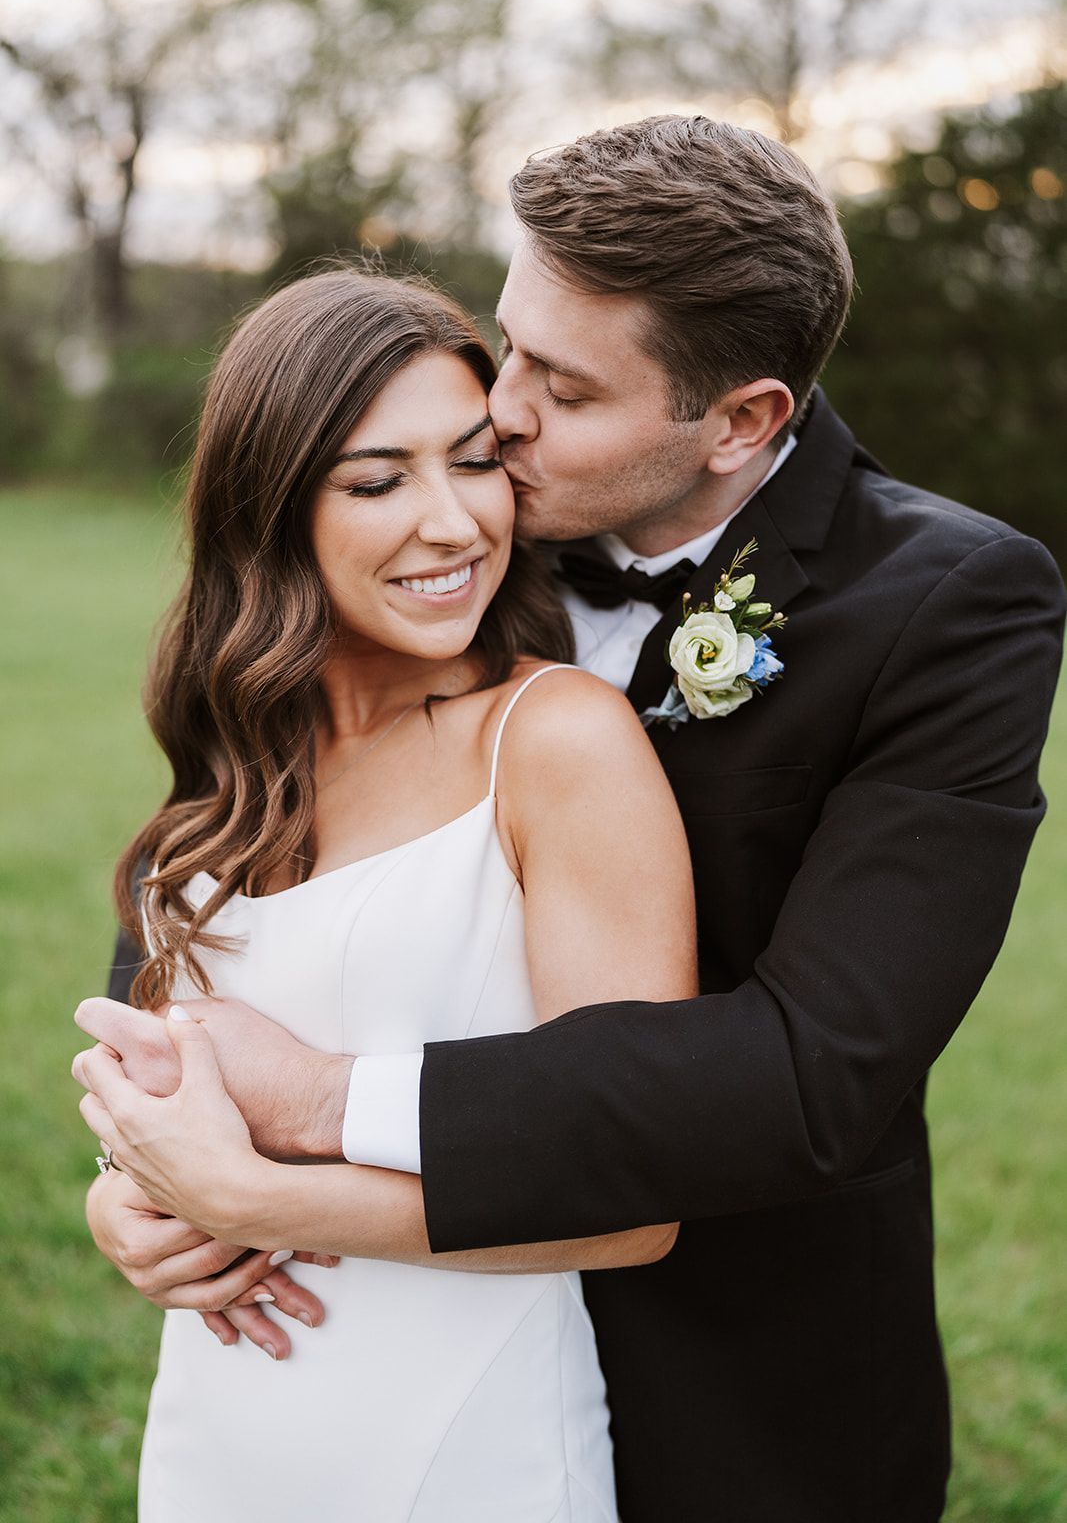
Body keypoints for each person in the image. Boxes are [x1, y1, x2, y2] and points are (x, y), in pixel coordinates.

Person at [75, 116, 1066, 1523]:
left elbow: (812, 1074)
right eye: (510, 342)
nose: (503, 412)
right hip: (362, 1348)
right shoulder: (458, 521)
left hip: (737, 1375)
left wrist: (313, 1112)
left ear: (740, 421)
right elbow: (235, 845)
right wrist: (141, 1161)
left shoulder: (946, 607)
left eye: (565, 384)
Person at [73, 265, 700, 1521]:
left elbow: (636, 1204)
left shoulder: (550, 739)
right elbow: (149, 1097)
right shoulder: (226, 779)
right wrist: (118, 1208)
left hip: (465, 1444)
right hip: (218, 1430)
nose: (454, 523)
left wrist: (254, 1198)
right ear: (270, 509)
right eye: (376, 481)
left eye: (474, 463)